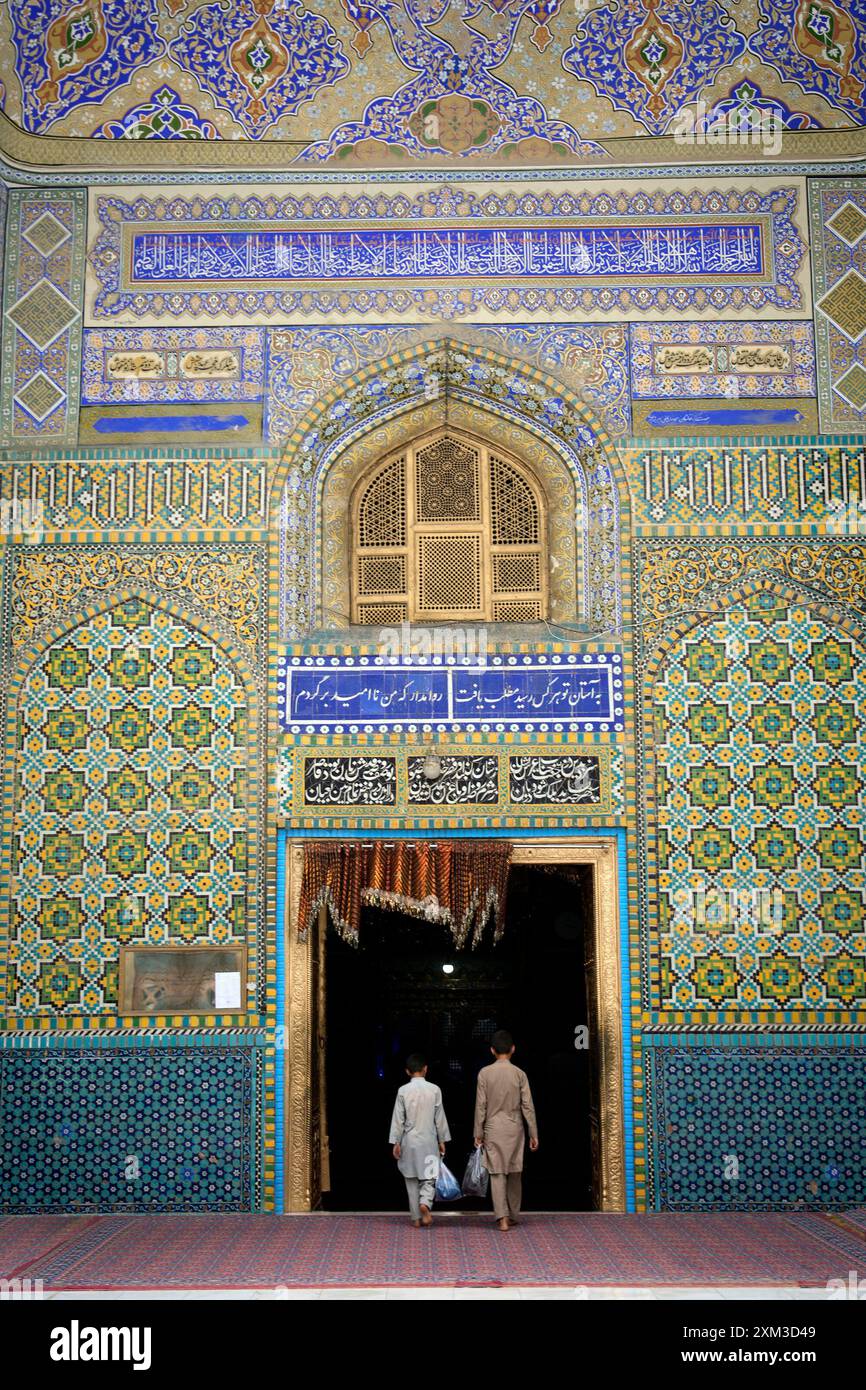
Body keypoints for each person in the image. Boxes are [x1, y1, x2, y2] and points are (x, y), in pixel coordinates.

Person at [474, 1029, 538, 1232]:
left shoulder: (485, 1073)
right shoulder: (520, 1074)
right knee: (515, 1172)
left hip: (493, 1128)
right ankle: (513, 1215)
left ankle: (501, 1218)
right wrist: (533, 1133)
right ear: (513, 1049)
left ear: (492, 1050)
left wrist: (478, 1132)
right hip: (515, 1128)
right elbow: (527, 1106)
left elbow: (480, 1105)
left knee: (497, 1173)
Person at [389, 1052, 451, 1227]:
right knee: (429, 1177)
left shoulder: (402, 1091)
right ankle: (425, 1203)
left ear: (407, 1071)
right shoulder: (434, 1089)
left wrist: (396, 1142)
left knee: (411, 1179)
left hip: (409, 1141)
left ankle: (416, 1218)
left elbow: (398, 1119)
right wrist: (442, 1140)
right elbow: (439, 1117)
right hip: (429, 1140)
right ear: (425, 1069)